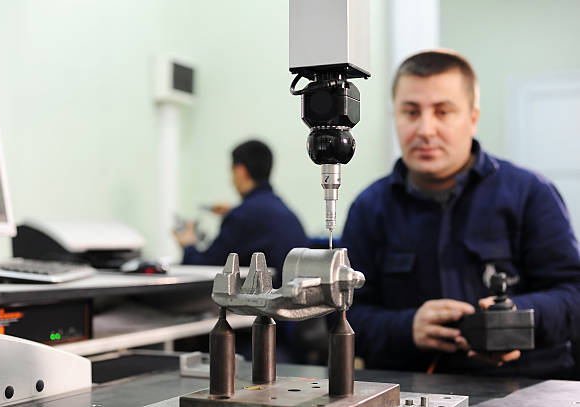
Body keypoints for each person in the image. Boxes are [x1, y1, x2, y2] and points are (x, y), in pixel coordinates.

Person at [341, 49, 580, 378]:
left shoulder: (530, 194)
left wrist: (516, 319)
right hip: (411, 389)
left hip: (525, 386)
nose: (425, 129)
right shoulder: (369, 209)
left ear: (473, 117)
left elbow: (573, 294)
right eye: (411, 112)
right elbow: (344, 315)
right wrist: (405, 327)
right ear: (394, 115)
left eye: (443, 112)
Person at [174, 139, 308, 287]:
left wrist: (188, 245)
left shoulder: (242, 217)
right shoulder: (285, 212)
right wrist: (234, 214)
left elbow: (208, 268)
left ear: (240, 171)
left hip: (264, 307)